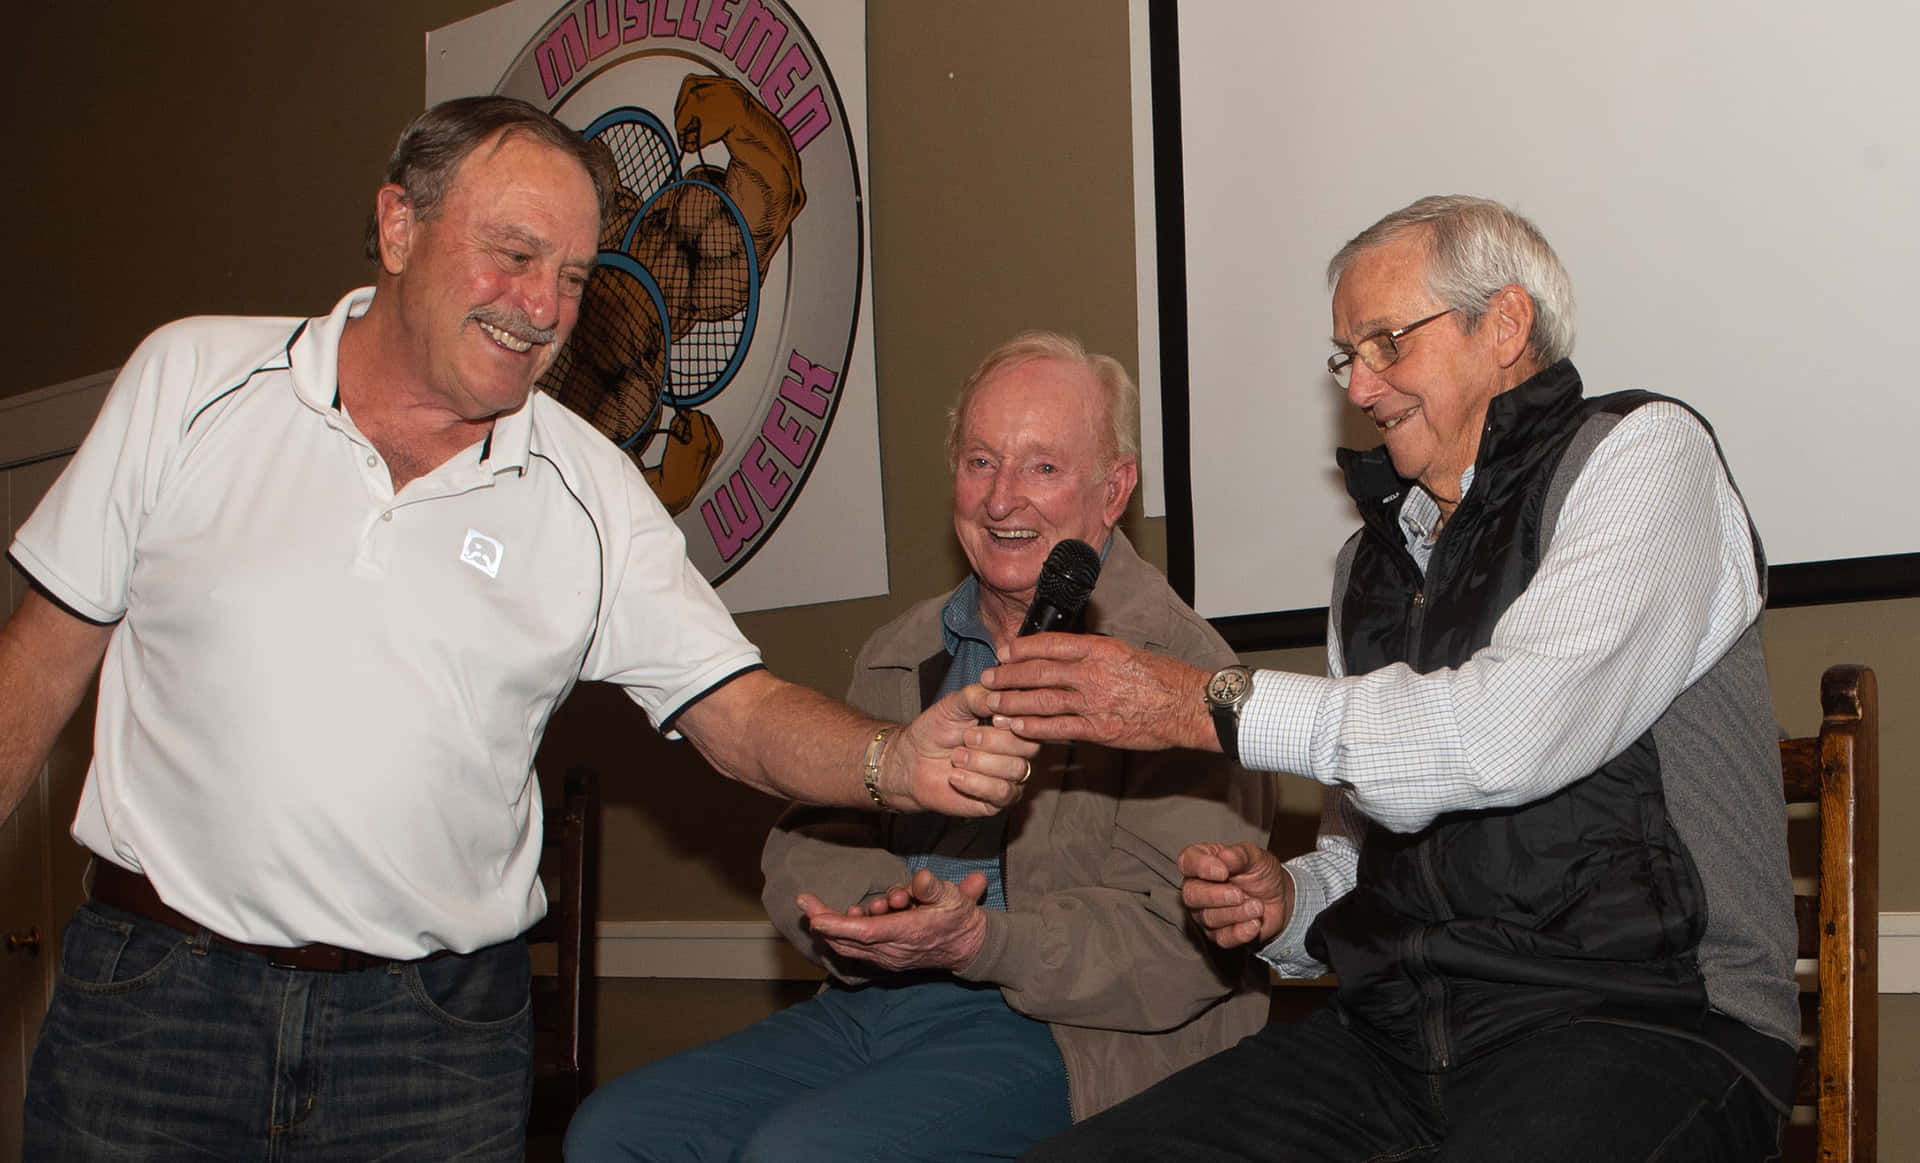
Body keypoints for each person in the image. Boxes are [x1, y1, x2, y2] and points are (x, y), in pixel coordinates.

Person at [0, 96, 1035, 1161]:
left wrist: (892, 759)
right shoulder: (192, 382)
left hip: (428, 1045)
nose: (542, 305)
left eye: (576, 276)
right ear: (399, 227)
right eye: (512, 254)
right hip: (153, 1007)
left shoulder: (591, 491)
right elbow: (38, 660)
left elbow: (740, 711)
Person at [990, 196, 1797, 1161]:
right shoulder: (1364, 569)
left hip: (1650, 1022)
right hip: (1398, 1041)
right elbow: (1368, 849)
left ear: (1504, 325)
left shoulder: (1641, 456)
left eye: (1387, 342)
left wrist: (1201, 702)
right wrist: (1289, 904)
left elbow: (1502, 737)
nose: (1361, 386)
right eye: (1346, 355)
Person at [563, 333, 1276, 1162]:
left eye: (1042, 467)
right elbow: (805, 844)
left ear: (1112, 490)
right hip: (884, 997)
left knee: (807, 1152)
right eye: (980, 462)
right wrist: (882, 909)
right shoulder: (900, 649)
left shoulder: (1180, 674)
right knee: (614, 1133)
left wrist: (978, 939)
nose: (1002, 498)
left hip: (1075, 1029)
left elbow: (1179, 943)